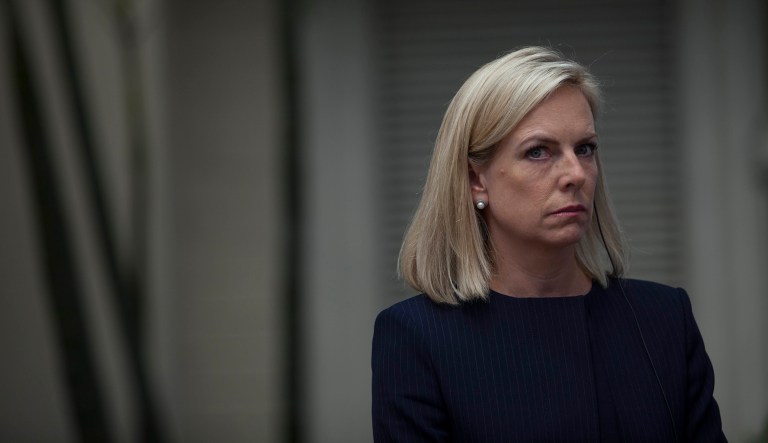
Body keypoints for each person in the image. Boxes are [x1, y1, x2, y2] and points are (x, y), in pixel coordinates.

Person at [371, 47, 726, 442]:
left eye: (585, 148)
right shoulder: (417, 336)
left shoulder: (663, 318)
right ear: (475, 180)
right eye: (538, 152)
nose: (575, 173)